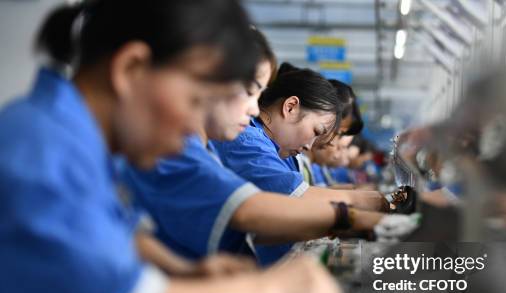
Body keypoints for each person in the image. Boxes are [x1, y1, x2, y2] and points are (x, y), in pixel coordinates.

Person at [0, 2, 341, 293]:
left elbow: (116, 233)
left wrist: (185, 270)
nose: (196, 128)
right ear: (131, 70)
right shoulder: (39, 152)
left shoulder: (78, 140)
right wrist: (269, 290)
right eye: (197, 101)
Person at [122, 31, 405, 266]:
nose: (255, 107)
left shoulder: (200, 148)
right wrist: (364, 215)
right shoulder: (233, 142)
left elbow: (254, 227)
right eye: (249, 90)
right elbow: (251, 211)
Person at [213, 63, 392, 264]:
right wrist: (370, 205)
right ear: (290, 107)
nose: (311, 146)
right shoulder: (248, 142)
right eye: (316, 132)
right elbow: (298, 200)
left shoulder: (277, 150)